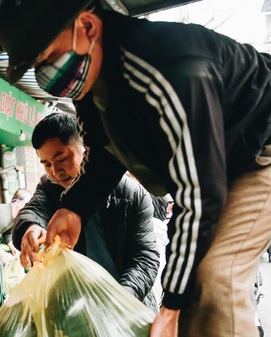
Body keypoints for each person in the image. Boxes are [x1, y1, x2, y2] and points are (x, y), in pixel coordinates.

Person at [0, 1, 271, 337]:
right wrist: (73, 207)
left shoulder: (172, 68)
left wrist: (170, 306)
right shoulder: (94, 85)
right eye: (38, 65)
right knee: (194, 276)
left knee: (218, 279)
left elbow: (197, 196)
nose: (48, 75)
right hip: (214, 159)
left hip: (267, 148)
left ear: (88, 25)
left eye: (49, 57)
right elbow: (106, 155)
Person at [12, 112, 164, 312]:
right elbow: (34, 210)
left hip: (128, 307)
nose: (55, 171)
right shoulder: (50, 188)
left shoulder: (131, 194)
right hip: (75, 310)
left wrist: (119, 301)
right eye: (47, 164)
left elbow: (145, 258)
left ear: (86, 150)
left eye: (62, 158)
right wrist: (30, 228)